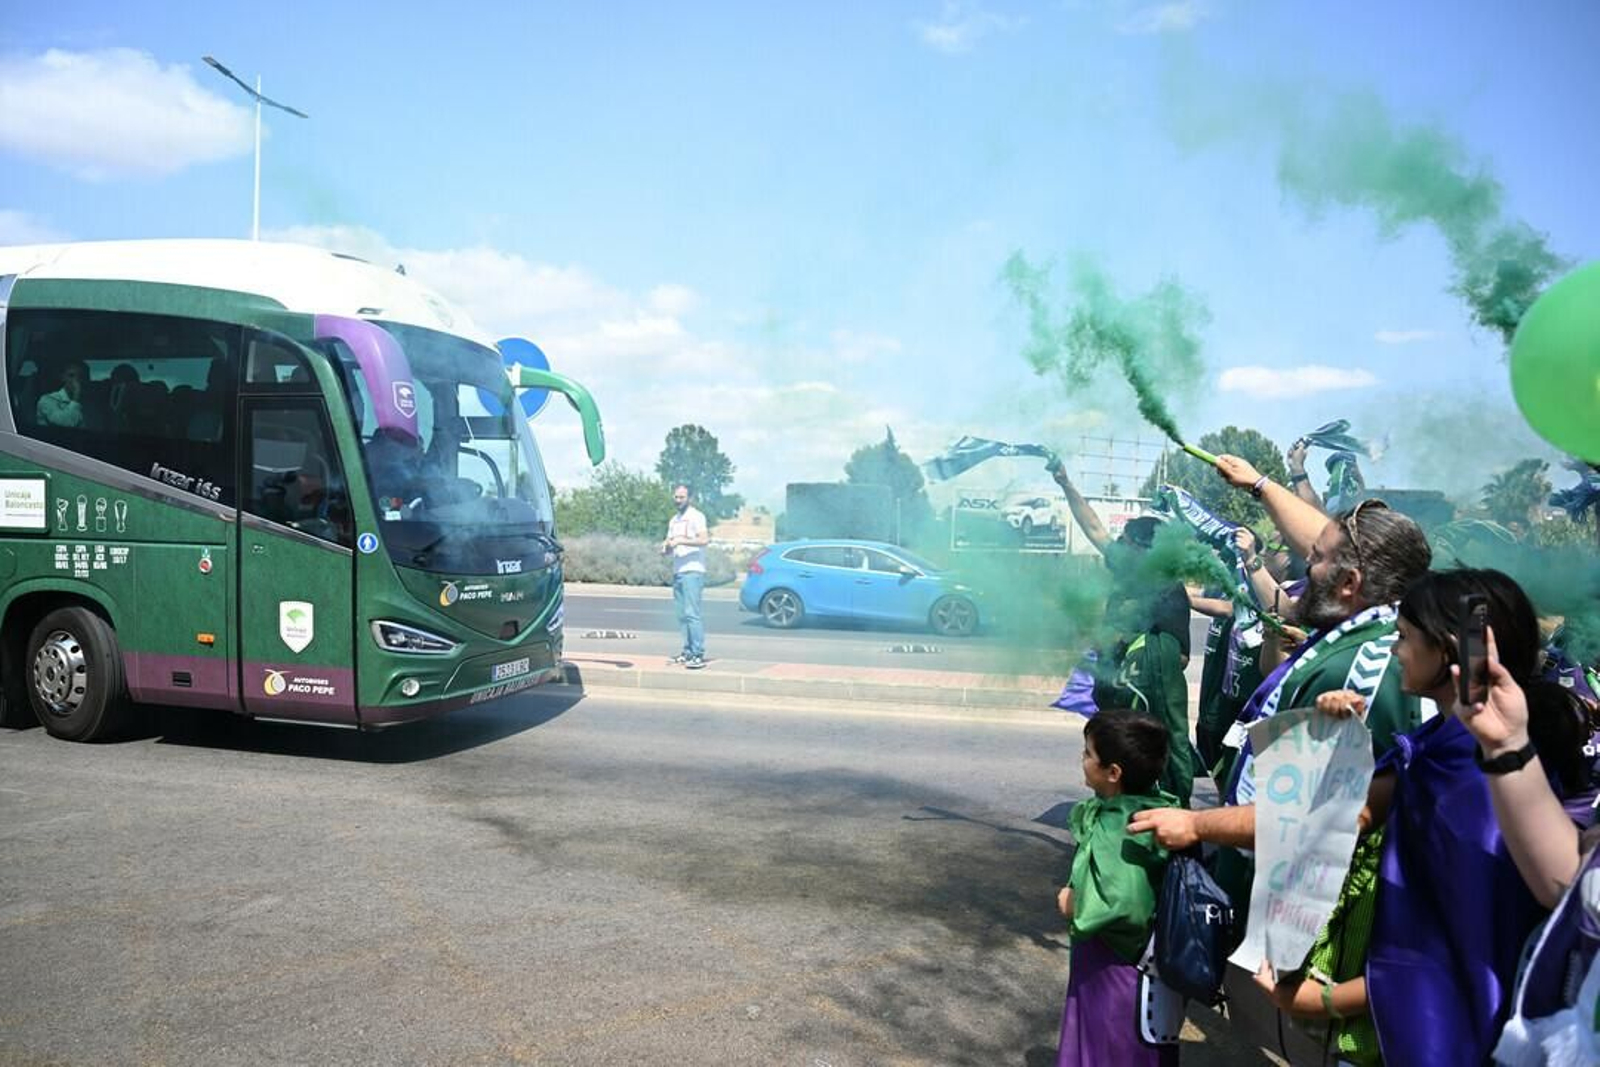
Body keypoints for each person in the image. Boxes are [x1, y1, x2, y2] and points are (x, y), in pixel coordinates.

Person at [1051, 462, 1198, 805]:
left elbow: (1178, 657)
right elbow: (1094, 529)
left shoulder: (1168, 590)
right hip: (1113, 698)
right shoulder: (1126, 568)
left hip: (1143, 715)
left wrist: (1127, 643)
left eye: (1125, 541)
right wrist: (1066, 484)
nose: (1117, 544)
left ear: (1144, 549)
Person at [1053, 709, 1179, 1067]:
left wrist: (1073, 904)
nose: (1082, 759)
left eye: (1088, 753)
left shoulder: (1118, 826)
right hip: (1146, 968)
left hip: (1115, 967)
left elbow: (1124, 900)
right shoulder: (1158, 810)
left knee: (1109, 1049)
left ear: (1113, 772)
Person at [663, 484, 709, 669]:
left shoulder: (696, 516)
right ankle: (687, 651)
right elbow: (669, 543)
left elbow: (704, 540)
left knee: (692, 614)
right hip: (678, 571)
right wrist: (666, 547)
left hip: (693, 571)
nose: (678, 500)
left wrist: (682, 540)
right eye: (676, 497)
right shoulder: (674, 520)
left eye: (682, 497)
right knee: (681, 615)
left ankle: (697, 653)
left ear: (689, 498)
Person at [36, 361, 87, 427]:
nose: (76, 380)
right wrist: (76, 398)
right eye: (71, 376)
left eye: (80, 376)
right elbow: (65, 423)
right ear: (63, 378)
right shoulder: (47, 400)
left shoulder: (89, 404)